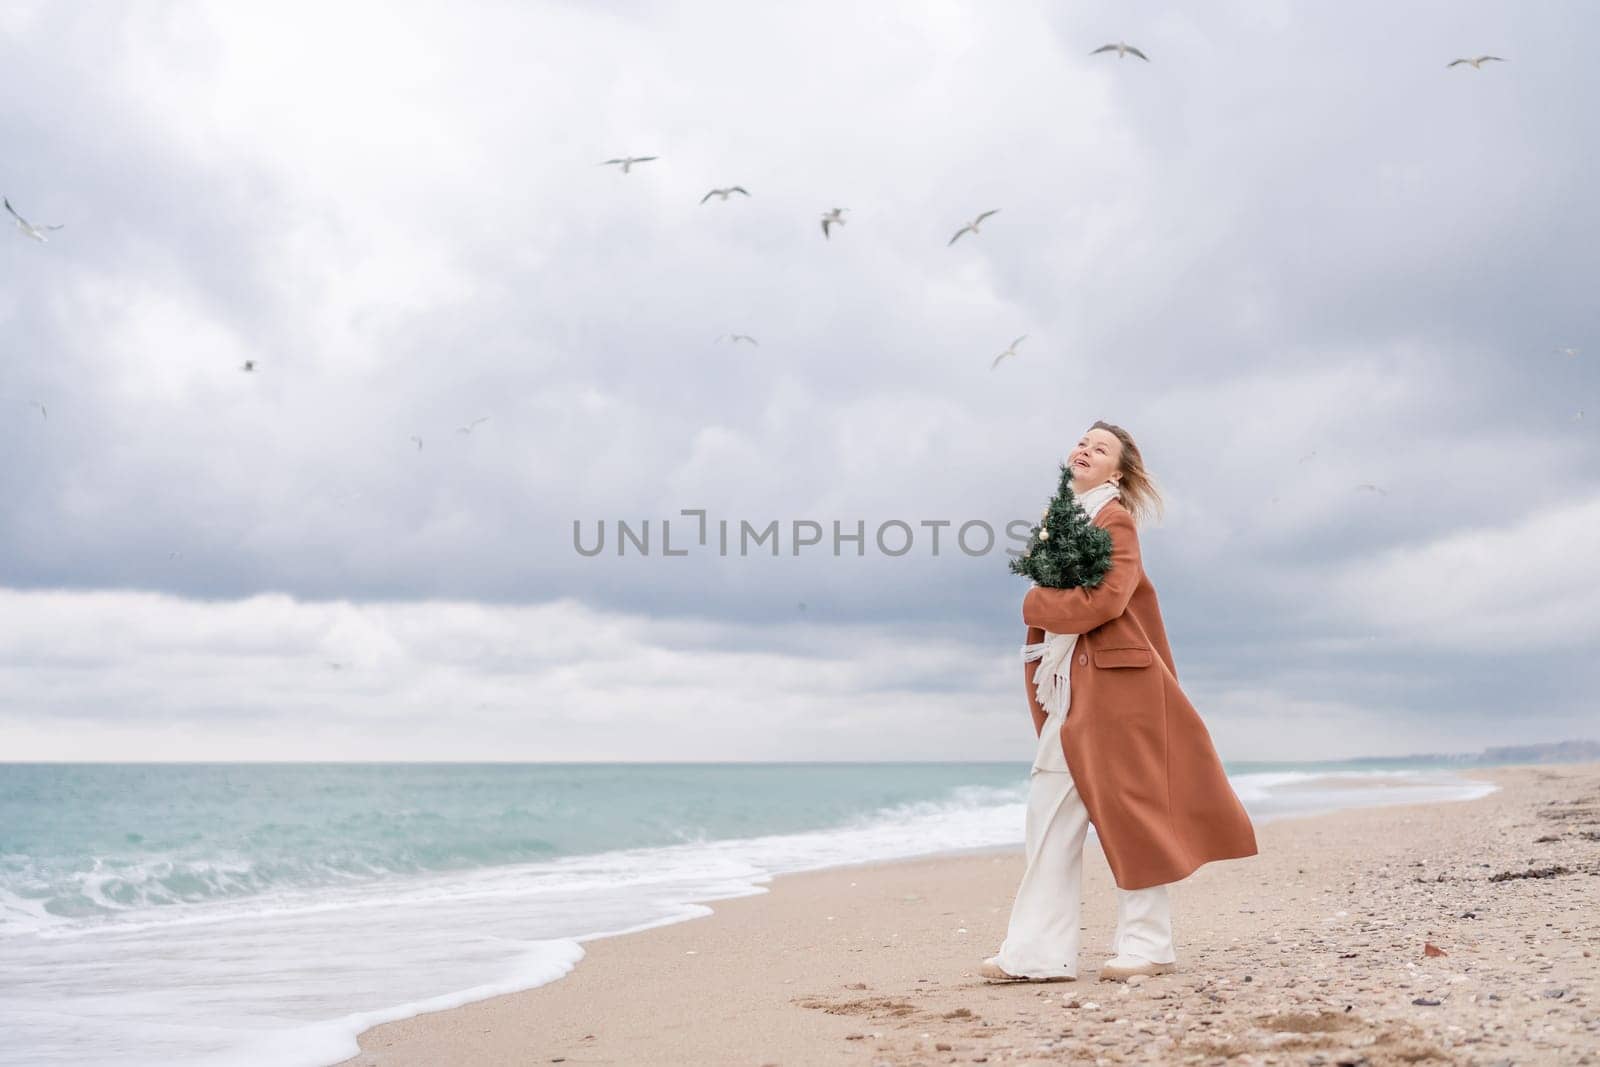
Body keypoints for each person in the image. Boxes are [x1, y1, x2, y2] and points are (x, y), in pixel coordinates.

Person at [980, 421, 1258, 984]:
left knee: (1131, 816)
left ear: (1120, 471)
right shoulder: (1059, 523)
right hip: (1067, 692)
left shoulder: (1115, 520)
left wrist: (1034, 602)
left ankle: (1149, 945)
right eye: (1082, 442)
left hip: (1118, 691)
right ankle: (1036, 953)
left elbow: (1106, 600)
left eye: (1100, 448)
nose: (1085, 449)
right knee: (1049, 818)